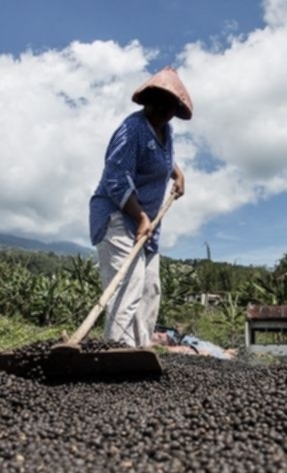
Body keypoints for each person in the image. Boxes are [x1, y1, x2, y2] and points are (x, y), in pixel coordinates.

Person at [88, 66, 193, 348]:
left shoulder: (165, 130)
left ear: (174, 110)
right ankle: (115, 351)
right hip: (118, 217)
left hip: (147, 224)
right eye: (156, 102)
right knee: (127, 286)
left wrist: (178, 174)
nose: (161, 110)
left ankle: (139, 352)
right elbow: (115, 178)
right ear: (147, 100)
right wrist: (141, 216)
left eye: (168, 106)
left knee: (149, 288)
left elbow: (163, 158)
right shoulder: (131, 129)